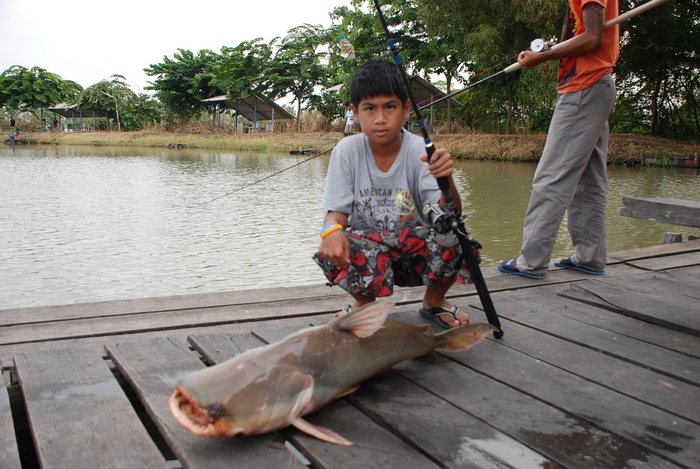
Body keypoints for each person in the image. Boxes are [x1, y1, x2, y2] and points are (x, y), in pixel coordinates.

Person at [314, 59, 471, 329]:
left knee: (457, 232)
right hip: (370, 253)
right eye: (369, 108)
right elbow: (336, 214)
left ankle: (434, 301)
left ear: (406, 109)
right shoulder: (346, 150)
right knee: (337, 238)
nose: (380, 118)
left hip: (416, 250)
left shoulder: (420, 149)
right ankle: (364, 303)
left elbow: (447, 213)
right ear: (354, 112)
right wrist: (329, 232)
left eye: (390, 107)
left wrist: (446, 179)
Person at [499, 0, 619, 279]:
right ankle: (589, 258)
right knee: (590, 181)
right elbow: (589, 33)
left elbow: (592, 37)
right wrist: (551, 49)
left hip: (584, 90)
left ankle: (532, 261)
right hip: (596, 87)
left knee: (551, 178)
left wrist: (541, 56)